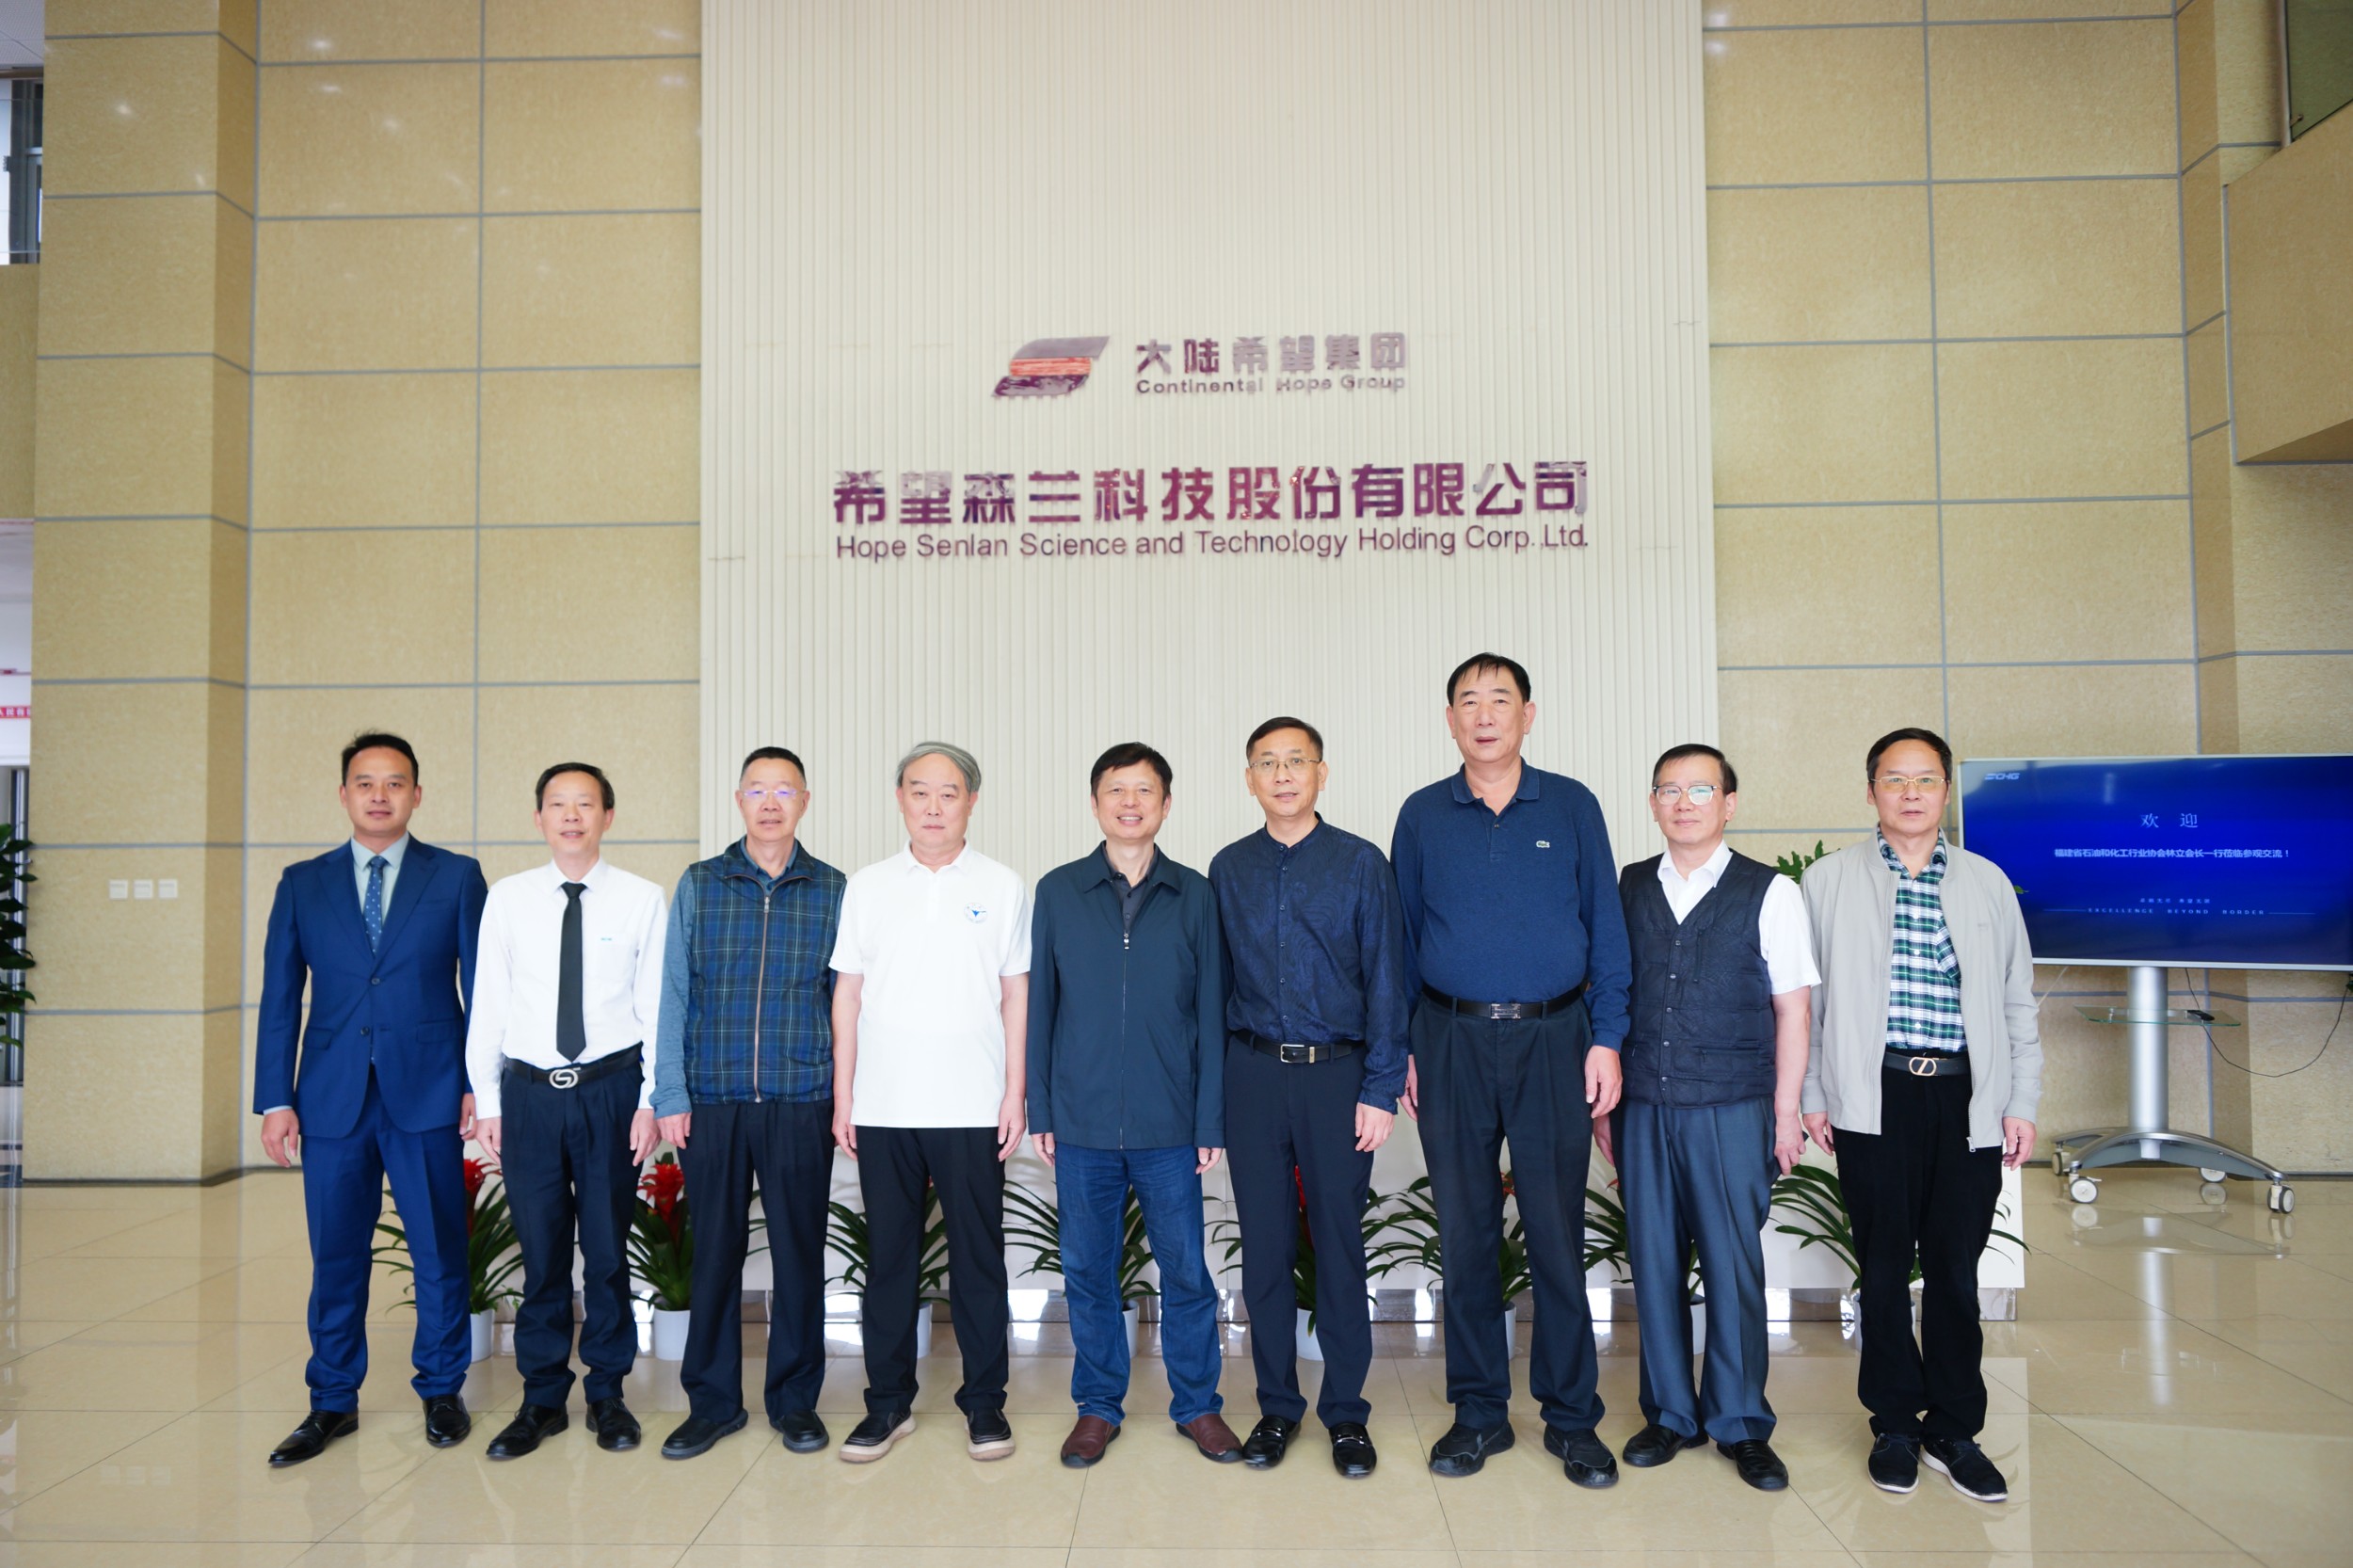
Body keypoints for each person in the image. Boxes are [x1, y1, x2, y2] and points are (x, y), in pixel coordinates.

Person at [1390, 653, 1632, 1486]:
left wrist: (1607, 1038)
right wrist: (1405, 1048)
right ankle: (1478, 1413)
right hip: (1449, 1039)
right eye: (1469, 701)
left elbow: (1606, 928)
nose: (1485, 714)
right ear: (1449, 719)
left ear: (1529, 714)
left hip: (1555, 1039)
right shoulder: (1423, 814)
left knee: (1558, 1232)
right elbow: (1399, 943)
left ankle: (1571, 1417)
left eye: (1501, 700)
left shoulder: (1571, 805)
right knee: (1465, 1234)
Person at [1801, 727, 2041, 1505]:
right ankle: (1896, 1424)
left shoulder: (1987, 882)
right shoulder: (1828, 881)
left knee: (1954, 1272)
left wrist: (2022, 1102)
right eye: (1895, 779)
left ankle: (1955, 1429)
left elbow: (2016, 1003)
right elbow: (1808, 1005)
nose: (1910, 793)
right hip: (1876, 1095)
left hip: (1967, 1097)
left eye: (1926, 779)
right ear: (1871, 790)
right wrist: (1813, 1094)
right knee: (1880, 1269)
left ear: (1945, 791)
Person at [254, 732, 489, 1465]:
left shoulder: (457, 877)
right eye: (365, 783)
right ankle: (331, 1399)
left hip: (429, 1090)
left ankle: (442, 1389)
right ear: (344, 794)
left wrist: (477, 1083)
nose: (380, 795)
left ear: (417, 794)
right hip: (330, 1097)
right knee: (335, 1255)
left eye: (394, 783)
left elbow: (485, 990)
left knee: (439, 1250)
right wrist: (275, 1098)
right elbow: (280, 998)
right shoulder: (302, 883)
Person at [1602, 744, 1816, 1491]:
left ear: (1729, 803)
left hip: (1732, 1106)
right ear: (1653, 804)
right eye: (1670, 790)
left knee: (1732, 1267)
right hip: (1643, 1104)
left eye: (1701, 789)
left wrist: (1785, 1115)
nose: (1684, 802)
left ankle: (1741, 1422)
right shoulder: (1629, 886)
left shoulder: (1771, 892)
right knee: (1654, 1263)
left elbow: (1793, 1011)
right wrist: (1606, 1106)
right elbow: (1610, 998)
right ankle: (1670, 1414)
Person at [1028, 743, 1240, 1467]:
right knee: (1089, 1272)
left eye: (1144, 790)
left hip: (1169, 1124)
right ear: (1095, 804)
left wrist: (1208, 1119)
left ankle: (1198, 1406)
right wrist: (1042, 1111)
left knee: (1185, 1272)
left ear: (1166, 804)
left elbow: (1211, 1013)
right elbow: (1041, 1008)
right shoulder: (1059, 891)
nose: (1129, 802)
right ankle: (1097, 1408)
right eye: (1116, 790)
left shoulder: (1195, 894)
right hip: (1081, 1121)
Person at [1209, 716, 1410, 1479]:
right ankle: (1277, 1408)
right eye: (1268, 763)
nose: (1283, 774)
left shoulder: (1360, 863)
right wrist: (1212, 1100)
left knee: (1339, 1245)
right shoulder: (1229, 868)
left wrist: (1381, 1087)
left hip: (1338, 1076)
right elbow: (1214, 988)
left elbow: (1388, 978)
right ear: (1250, 779)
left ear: (1322, 774)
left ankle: (1346, 1413)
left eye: (1297, 761)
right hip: (1254, 1074)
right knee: (1263, 1248)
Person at [829, 744, 1031, 1464]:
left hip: (974, 1106)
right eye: (921, 792)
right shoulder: (868, 886)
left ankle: (985, 1404)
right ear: (900, 799)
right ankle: (887, 1405)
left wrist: (1014, 1092)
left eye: (950, 793)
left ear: (972, 801)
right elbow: (848, 994)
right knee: (890, 1260)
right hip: (884, 1106)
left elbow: (1016, 994)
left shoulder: (1003, 885)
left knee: (978, 1261)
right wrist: (844, 1096)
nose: (935, 806)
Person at [649, 747, 848, 1460]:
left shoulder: (834, 890)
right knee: (714, 1256)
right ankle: (713, 1404)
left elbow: (847, 1004)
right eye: (757, 790)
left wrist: (843, 1097)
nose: (770, 803)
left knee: (799, 1256)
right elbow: (674, 993)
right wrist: (670, 1091)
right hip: (713, 1099)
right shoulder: (702, 883)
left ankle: (795, 1402)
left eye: (784, 791)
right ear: (738, 800)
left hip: (801, 1097)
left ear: (804, 801)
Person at [465, 762, 667, 1459]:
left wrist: (651, 1100)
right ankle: (542, 1399)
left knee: (607, 1254)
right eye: (558, 804)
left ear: (608, 816)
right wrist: (489, 1100)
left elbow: (656, 1009)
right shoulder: (508, 899)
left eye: (586, 804)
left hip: (611, 1091)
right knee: (543, 1254)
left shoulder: (642, 899)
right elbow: (488, 1003)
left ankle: (607, 1394)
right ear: (539, 818)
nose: (572, 816)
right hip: (528, 1096)